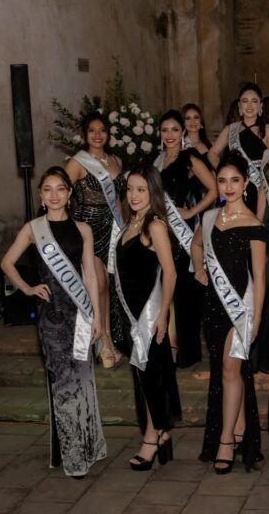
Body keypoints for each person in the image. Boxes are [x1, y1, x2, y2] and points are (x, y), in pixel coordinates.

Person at [1, 167, 106, 478]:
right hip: (52, 317)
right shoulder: (34, 229)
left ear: (70, 193)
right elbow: (6, 262)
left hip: (81, 314)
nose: (55, 194)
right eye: (48, 189)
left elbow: (89, 275)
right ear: (41, 195)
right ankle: (73, 457)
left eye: (61, 188)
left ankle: (89, 445)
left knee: (84, 381)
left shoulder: (83, 229)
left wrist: (97, 316)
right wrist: (27, 287)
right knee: (63, 385)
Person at [192, 152, 267, 473]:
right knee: (225, 372)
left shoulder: (254, 224)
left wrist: (258, 318)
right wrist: (198, 269)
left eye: (235, 180)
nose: (229, 186)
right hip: (213, 306)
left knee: (230, 369)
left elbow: (261, 277)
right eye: (222, 180)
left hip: (242, 306)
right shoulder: (210, 218)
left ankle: (225, 440)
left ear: (246, 182)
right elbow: (196, 245)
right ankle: (238, 431)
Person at [114, 165, 180, 471]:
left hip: (148, 315)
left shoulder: (153, 226)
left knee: (151, 378)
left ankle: (152, 438)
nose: (135, 195)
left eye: (141, 189)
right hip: (130, 315)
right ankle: (160, 430)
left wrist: (163, 314)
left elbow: (171, 272)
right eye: (130, 189)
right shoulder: (130, 222)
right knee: (145, 377)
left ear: (153, 192)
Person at [156, 109, 216, 368]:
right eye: (165, 130)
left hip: (183, 233)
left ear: (183, 133)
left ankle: (188, 353)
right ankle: (168, 346)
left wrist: (191, 211)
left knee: (185, 293)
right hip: (161, 233)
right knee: (163, 291)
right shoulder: (155, 161)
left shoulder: (189, 157)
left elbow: (214, 189)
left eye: (175, 130)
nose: (170, 135)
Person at [64, 112, 126, 367]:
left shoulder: (116, 161)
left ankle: (109, 339)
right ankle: (104, 344)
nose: (98, 135)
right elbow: (59, 192)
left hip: (112, 229)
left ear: (108, 133)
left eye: (102, 130)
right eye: (92, 130)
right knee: (98, 284)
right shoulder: (78, 163)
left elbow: (120, 200)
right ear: (85, 133)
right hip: (87, 229)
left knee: (109, 285)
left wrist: (125, 228)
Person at [209, 82, 269, 220]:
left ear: (261, 105)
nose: (249, 105)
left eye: (254, 101)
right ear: (239, 106)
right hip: (235, 187)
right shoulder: (230, 129)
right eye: (245, 101)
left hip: (260, 188)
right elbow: (212, 153)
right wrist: (224, 171)